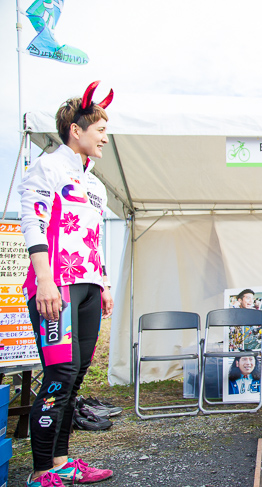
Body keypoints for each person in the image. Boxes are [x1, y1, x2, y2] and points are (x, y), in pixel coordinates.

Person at [18, 81, 115, 487]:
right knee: (60, 372)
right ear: (76, 130)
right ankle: (42, 471)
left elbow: (93, 238)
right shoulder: (48, 166)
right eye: (99, 131)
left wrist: (105, 283)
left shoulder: (94, 183)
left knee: (76, 375)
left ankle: (61, 460)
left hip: (90, 286)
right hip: (57, 286)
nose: (105, 138)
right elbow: (32, 222)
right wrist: (44, 281)